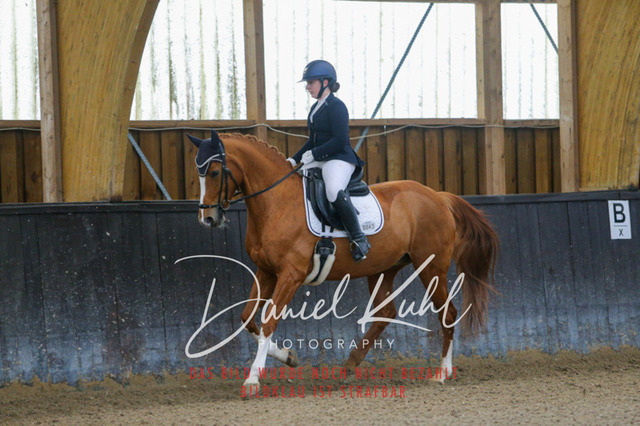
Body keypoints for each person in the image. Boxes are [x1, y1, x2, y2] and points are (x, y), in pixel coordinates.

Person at [287, 60, 370, 262]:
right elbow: (312, 141)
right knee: (295, 182)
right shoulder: (316, 108)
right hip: (321, 158)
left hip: (340, 158)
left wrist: (315, 154)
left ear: (325, 82)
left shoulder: (337, 106)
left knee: (333, 189)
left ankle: (359, 238)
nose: (307, 87)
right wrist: (293, 160)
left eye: (311, 82)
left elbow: (340, 140)